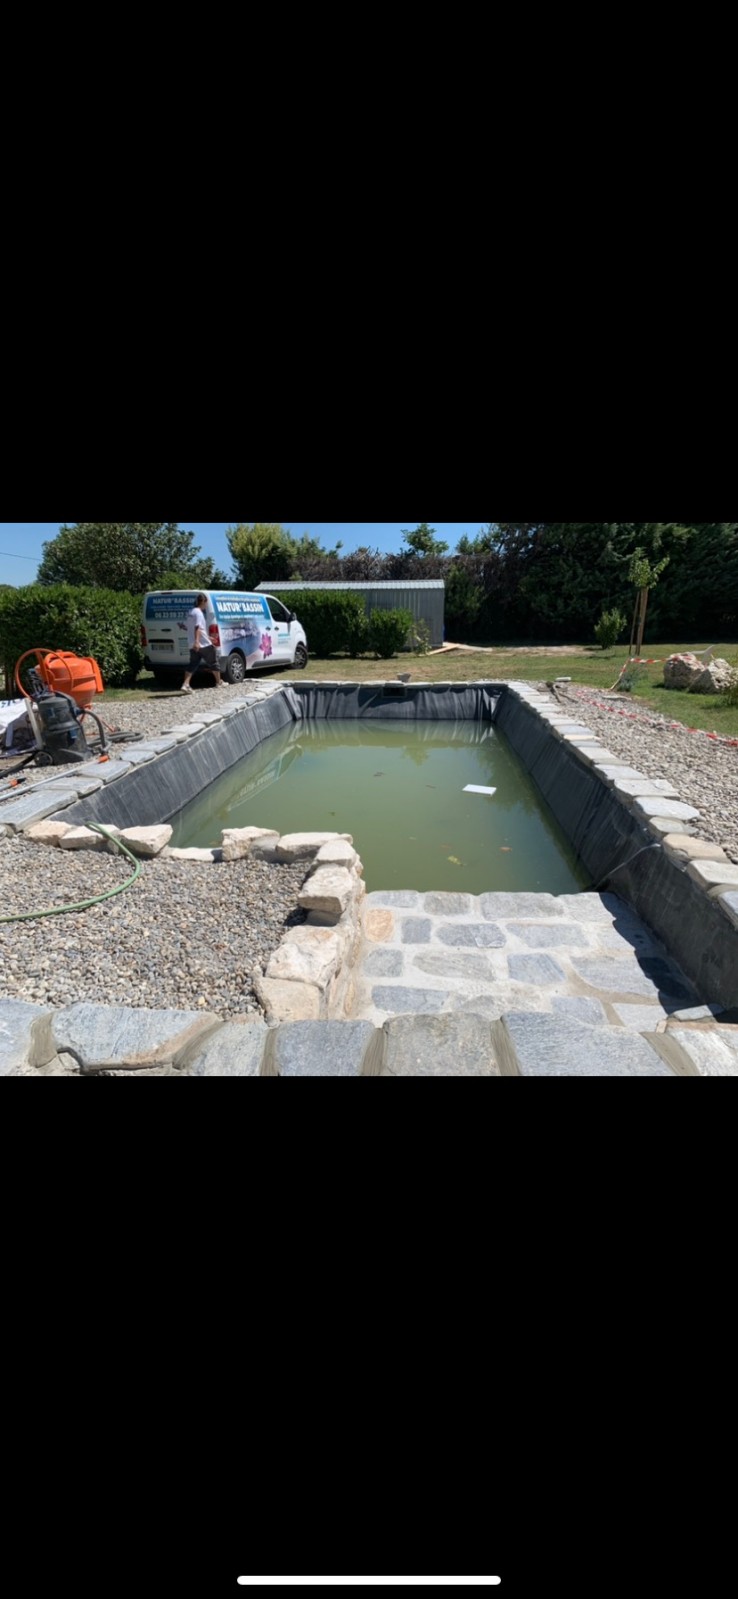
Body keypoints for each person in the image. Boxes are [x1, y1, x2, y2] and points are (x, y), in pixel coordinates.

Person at [181, 594, 223, 693]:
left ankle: (185, 684)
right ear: (203, 602)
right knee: (214, 661)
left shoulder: (190, 612)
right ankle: (219, 682)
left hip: (192, 643)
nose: (206, 605)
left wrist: (208, 637)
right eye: (206, 603)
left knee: (193, 664)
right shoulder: (199, 613)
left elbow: (187, 627)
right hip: (202, 644)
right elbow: (197, 628)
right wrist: (197, 641)